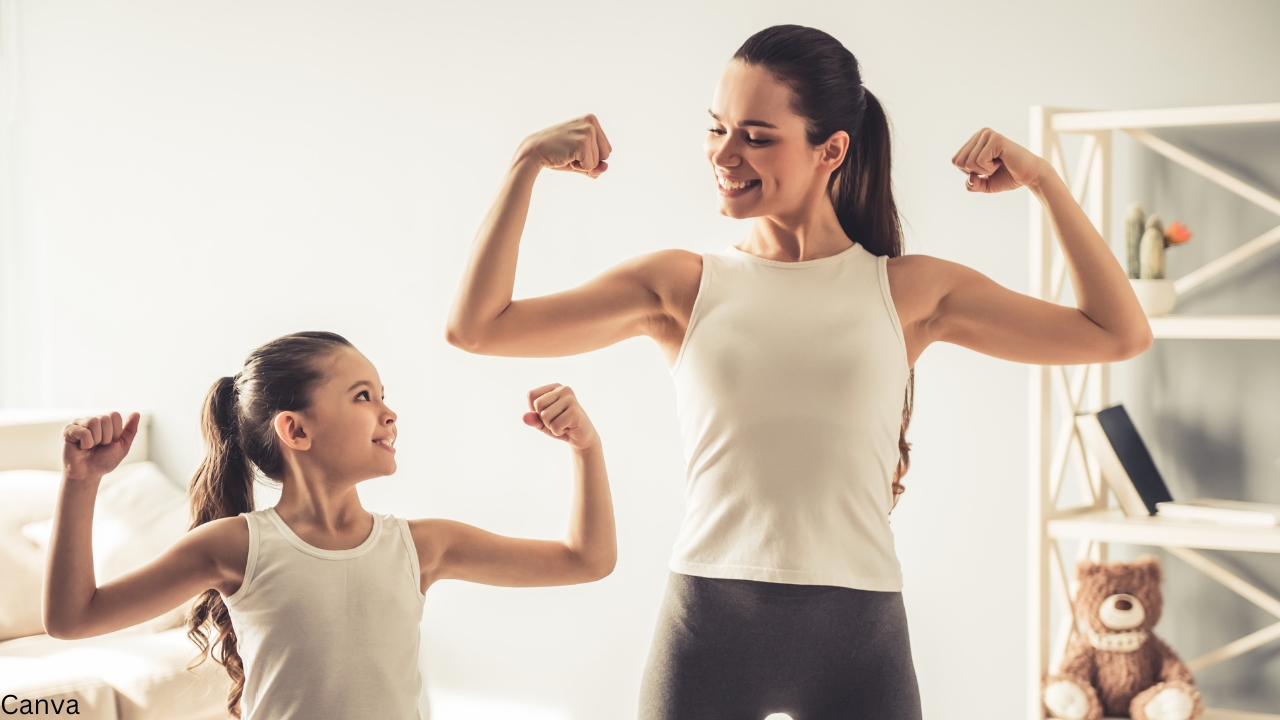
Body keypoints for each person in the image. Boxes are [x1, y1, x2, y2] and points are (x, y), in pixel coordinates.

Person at [446, 24, 1151, 720]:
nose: (725, 154)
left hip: (861, 643)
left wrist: (1045, 182)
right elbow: (478, 327)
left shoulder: (908, 292)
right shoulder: (680, 286)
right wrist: (524, 164)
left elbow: (1118, 334)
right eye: (717, 128)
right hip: (708, 629)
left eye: (756, 135)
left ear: (831, 149)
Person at [43, 331, 616, 720]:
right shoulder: (237, 546)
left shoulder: (424, 546)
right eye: (363, 396)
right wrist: (81, 483)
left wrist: (586, 448)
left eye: (384, 396)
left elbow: (586, 559)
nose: (388, 413)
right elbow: (74, 618)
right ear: (295, 431)